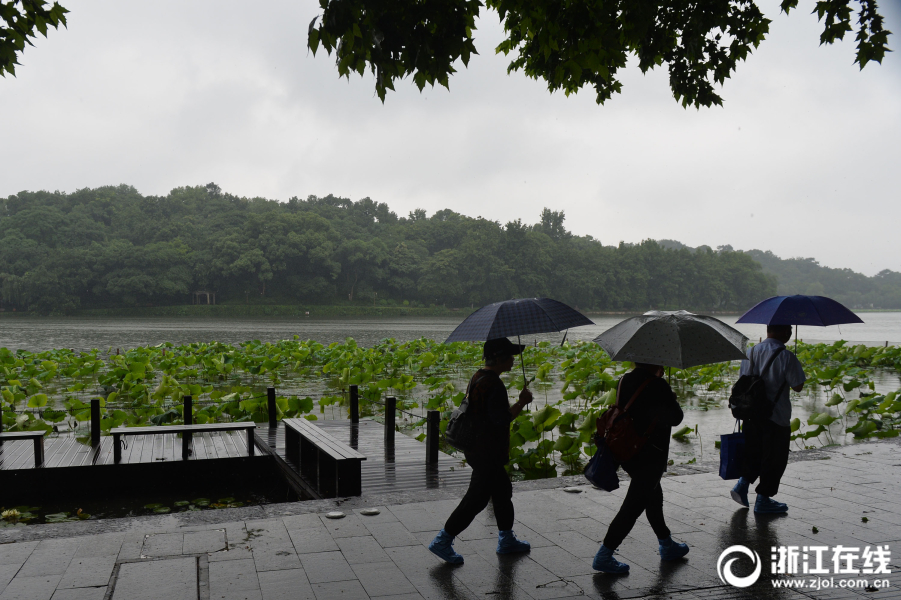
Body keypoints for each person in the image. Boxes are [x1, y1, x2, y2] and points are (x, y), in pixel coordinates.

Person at [428, 337, 534, 564]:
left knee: (502, 492)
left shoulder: (478, 376)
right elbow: (502, 419)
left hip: (478, 448)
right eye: (510, 355)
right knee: (476, 499)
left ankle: (506, 539)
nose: (514, 360)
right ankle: (442, 540)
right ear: (499, 358)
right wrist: (522, 402)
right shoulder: (494, 384)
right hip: (487, 452)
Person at [592, 362, 688, 574]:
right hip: (650, 454)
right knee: (634, 505)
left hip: (628, 451)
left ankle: (667, 544)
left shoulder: (625, 379)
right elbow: (676, 418)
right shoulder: (658, 385)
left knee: (653, 497)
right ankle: (604, 555)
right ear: (655, 361)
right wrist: (671, 398)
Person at [730, 324, 806, 514]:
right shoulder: (786, 356)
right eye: (789, 330)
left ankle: (742, 485)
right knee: (774, 459)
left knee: (753, 452)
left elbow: (743, 380)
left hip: (750, 414)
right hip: (776, 416)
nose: (790, 333)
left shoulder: (750, 352)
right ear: (785, 332)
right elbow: (798, 386)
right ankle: (763, 500)